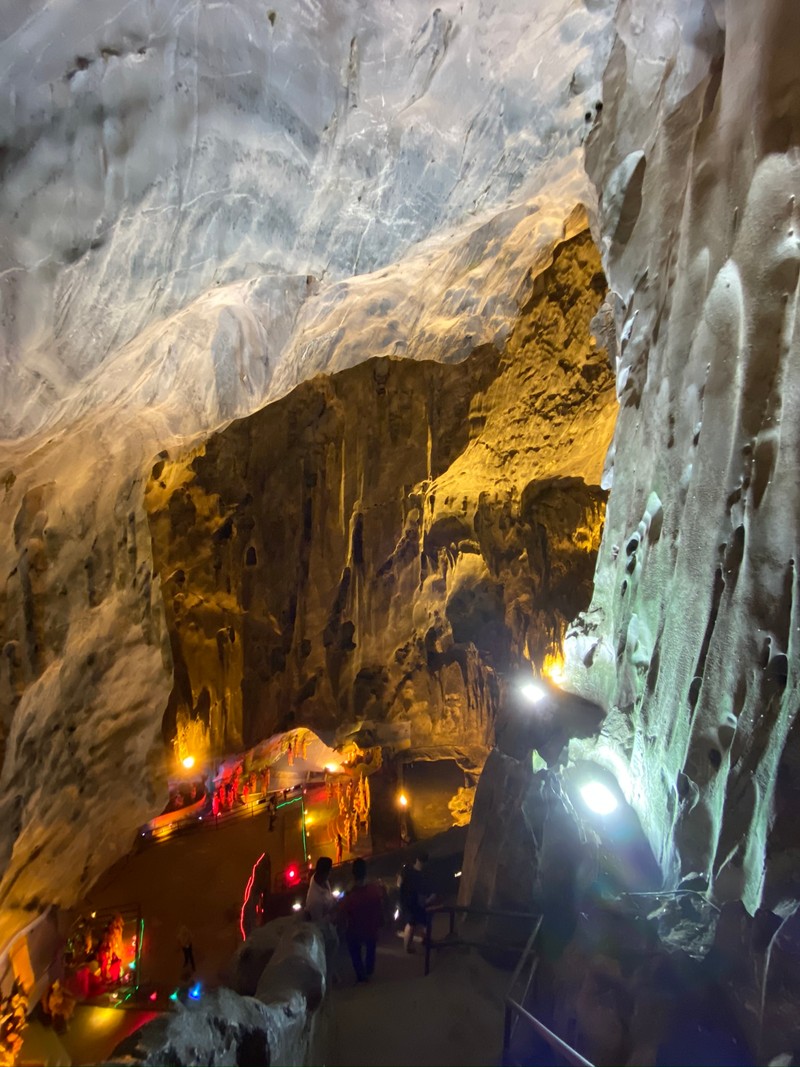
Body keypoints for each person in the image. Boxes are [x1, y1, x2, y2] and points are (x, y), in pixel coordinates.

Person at [339, 858, 385, 983]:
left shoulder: (350, 896)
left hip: (355, 930)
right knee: (371, 946)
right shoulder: (374, 890)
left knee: (354, 948)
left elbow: (342, 911)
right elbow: (380, 908)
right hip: (371, 928)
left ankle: (360, 974)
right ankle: (369, 969)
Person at [398, 851, 431, 953]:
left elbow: (399, 883)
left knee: (412, 923)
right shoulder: (423, 875)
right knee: (420, 922)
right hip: (416, 901)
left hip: (406, 900)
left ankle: (408, 946)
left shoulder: (407, 869)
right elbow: (424, 891)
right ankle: (418, 944)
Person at [305, 857, 335, 922]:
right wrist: (333, 913)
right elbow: (319, 923)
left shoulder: (320, 879)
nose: (331, 873)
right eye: (330, 871)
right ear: (325, 873)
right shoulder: (315, 900)